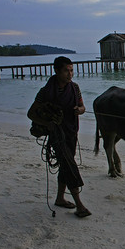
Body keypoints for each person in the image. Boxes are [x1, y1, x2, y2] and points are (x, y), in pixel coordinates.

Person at [28, 56, 91, 218]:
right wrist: (47, 124)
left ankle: (60, 198)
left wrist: (80, 110)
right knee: (69, 164)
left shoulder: (75, 88)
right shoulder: (45, 92)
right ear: (56, 71)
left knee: (65, 164)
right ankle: (79, 204)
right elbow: (31, 113)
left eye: (71, 70)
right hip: (56, 135)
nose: (70, 74)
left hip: (71, 132)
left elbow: (83, 107)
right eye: (66, 71)